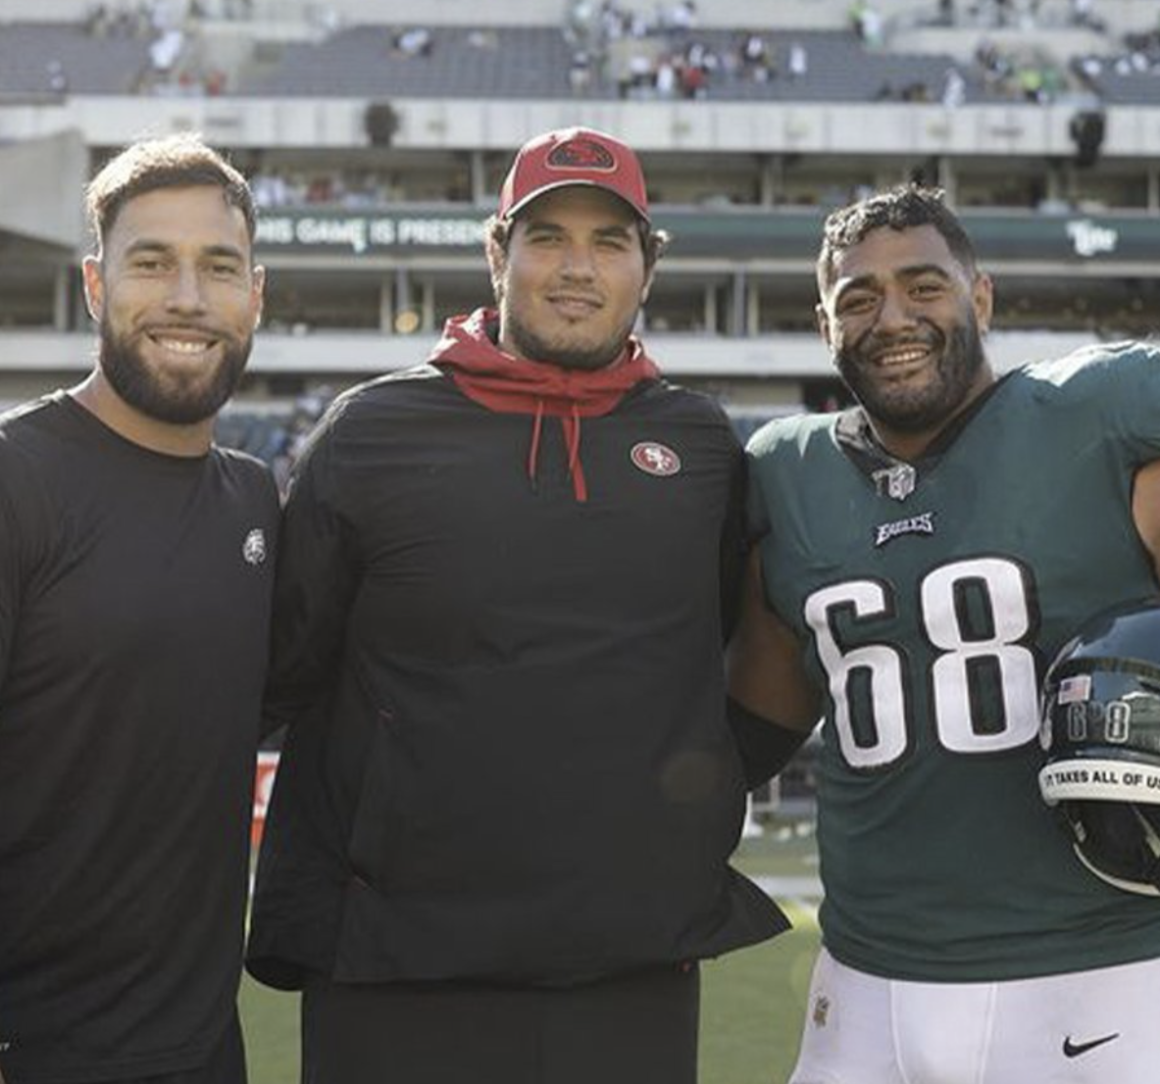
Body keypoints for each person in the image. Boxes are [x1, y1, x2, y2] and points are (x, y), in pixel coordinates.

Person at [246, 126, 788, 1084]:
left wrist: (671, 811)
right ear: (497, 252)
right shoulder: (371, 433)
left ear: (647, 269)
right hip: (397, 964)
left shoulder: (700, 448)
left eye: (609, 242)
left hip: (627, 964)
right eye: (547, 238)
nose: (577, 269)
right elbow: (284, 668)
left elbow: (734, 650)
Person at [727, 184, 1160, 1084]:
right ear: (824, 324)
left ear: (982, 297)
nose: (893, 317)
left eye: (924, 286)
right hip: (864, 981)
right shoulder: (786, 472)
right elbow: (757, 723)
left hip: (1100, 969)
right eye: (859, 298)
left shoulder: (1097, 409)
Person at [0, 134, 277, 1084]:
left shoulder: (254, 503)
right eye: (151, 263)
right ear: (93, 285)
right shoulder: (15, 481)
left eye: (218, 267)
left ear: (256, 296)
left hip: (203, 1052)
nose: (188, 299)